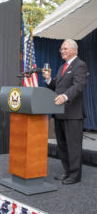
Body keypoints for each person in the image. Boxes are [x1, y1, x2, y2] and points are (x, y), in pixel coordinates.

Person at [42, 39, 88, 185]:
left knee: (73, 145)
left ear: (74, 50)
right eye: (61, 49)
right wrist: (49, 80)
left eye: (65, 49)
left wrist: (65, 96)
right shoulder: (62, 66)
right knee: (62, 145)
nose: (62, 51)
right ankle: (67, 171)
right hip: (59, 112)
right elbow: (58, 86)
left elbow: (78, 86)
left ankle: (75, 175)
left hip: (73, 114)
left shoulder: (80, 65)